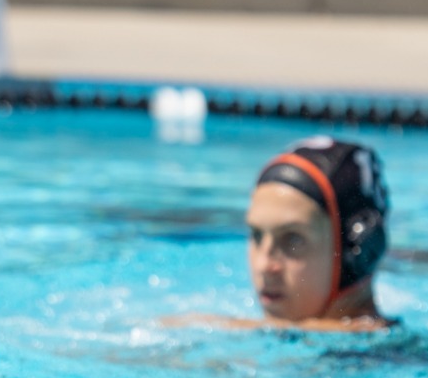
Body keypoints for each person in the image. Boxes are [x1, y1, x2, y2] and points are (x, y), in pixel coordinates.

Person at [164, 137, 393, 332]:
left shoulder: (391, 358)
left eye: (292, 240)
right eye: (256, 236)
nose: (265, 265)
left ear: (358, 253)